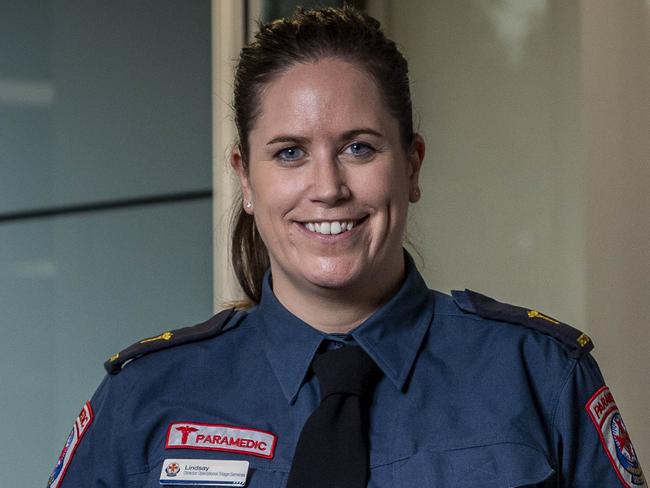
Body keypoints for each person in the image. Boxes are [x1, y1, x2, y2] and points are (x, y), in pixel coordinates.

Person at [48, 6, 646, 488]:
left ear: (412, 165)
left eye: (359, 147)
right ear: (245, 179)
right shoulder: (145, 397)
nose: (328, 188)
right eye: (289, 153)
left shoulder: (540, 377)